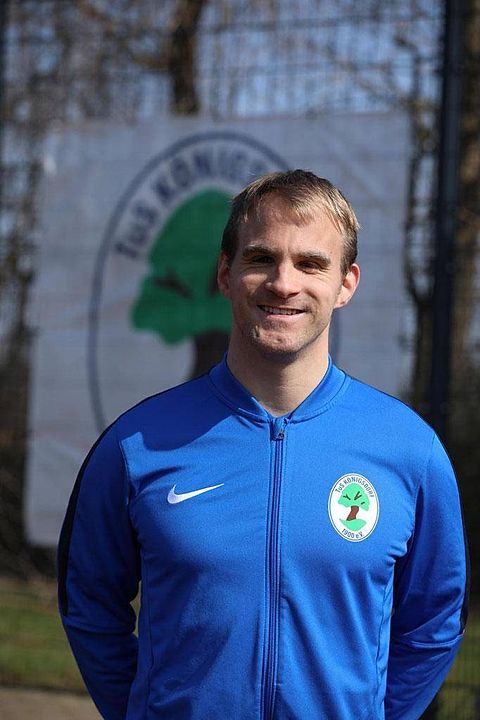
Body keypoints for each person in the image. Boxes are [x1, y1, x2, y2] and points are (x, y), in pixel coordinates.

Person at [58, 170, 468, 720]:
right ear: (225, 274)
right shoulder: (135, 445)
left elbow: (435, 621)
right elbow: (88, 604)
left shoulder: (410, 451)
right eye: (260, 259)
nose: (283, 283)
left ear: (346, 284)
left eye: (311, 264)